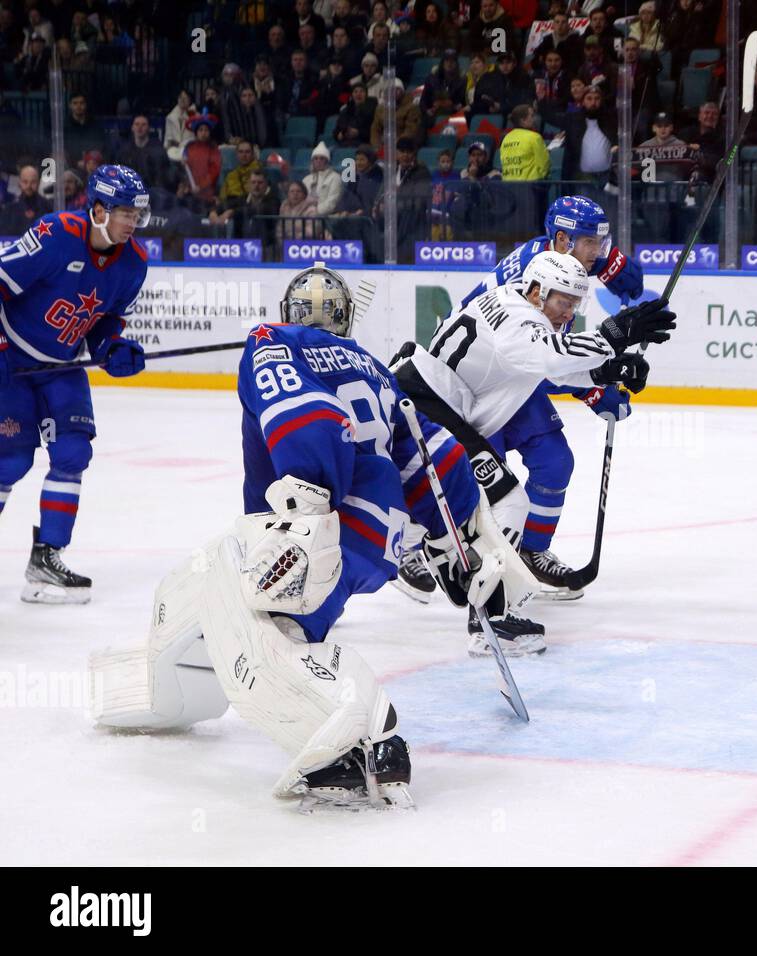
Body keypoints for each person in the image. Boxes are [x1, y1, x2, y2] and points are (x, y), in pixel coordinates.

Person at [88, 263, 516, 810]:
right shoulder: (378, 373)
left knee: (270, 631)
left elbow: (307, 417)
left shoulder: (272, 340)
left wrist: (309, 503)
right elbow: (441, 458)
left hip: (320, 521)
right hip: (376, 538)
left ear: (290, 312)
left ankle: (366, 738)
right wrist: (455, 550)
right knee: (213, 591)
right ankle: (163, 689)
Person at [390, 248, 673, 648]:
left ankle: (443, 557)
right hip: (428, 407)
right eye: (562, 301)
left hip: (424, 400)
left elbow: (537, 365)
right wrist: (615, 335)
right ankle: (492, 621)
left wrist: (607, 369)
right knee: (508, 502)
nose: (567, 313)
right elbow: (551, 359)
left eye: (575, 304)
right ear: (538, 291)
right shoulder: (518, 320)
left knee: (462, 500)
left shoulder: (511, 302)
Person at [0, 166, 149, 604]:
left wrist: (112, 350)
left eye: (137, 214)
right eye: (124, 212)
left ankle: (47, 557)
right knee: (9, 463)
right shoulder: (56, 234)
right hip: (10, 355)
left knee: (73, 452)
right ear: (98, 208)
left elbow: (103, 323)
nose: (132, 222)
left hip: (61, 365)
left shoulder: (134, 265)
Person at [302, 142, 344, 216]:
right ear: (312, 161)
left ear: (327, 161)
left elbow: (332, 202)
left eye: (322, 158)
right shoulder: (306, 179)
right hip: (305, 215)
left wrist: (314, 212)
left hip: (325, 218)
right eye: (316, 158)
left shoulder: (335, 178)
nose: (318, 161)